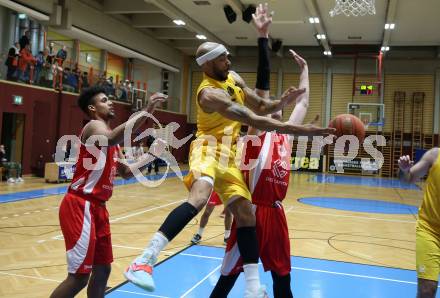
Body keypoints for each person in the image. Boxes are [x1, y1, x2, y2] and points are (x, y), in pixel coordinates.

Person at [124, 9, 335, 297]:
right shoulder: (209, 94)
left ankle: (252, 289)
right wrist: (303, 129)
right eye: (224, 57)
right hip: (208, 149)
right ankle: (144, 260)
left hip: (233, 161)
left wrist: (281, 100)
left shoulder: (233, 79)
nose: (229, 60)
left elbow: (262, 107)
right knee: (200, 198)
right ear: (209, 62)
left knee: (246, 214)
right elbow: (256, 118)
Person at [210, 5, 310, 297]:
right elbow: (262, 92)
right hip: (250, 213)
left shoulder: (285, 138)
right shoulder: (253, 136)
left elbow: (302, 105)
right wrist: (263, 38)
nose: (276, 111)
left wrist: (305, 71)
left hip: (276, 215)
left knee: (283, 280)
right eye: (270, 109)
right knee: (227, 279)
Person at [49, 86, 167, 298]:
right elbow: (113, 137)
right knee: (78, 278)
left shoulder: (111, 143)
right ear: (93, 108)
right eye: (104, 100)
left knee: (103, 270)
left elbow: (127, 173)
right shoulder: (94, 127)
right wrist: (148, 110)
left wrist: (151, 155)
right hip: (80, 205)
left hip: (99, 209)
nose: (110, 102)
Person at [398, 150, 440, 298]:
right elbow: (408, 179)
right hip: (430, 230)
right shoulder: (435, 155)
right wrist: (404, 170)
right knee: (427, 290)